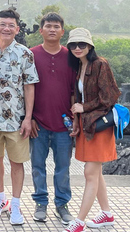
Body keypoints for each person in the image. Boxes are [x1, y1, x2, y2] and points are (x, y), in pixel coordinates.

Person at [0, 8, 39, 225]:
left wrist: (28, 117)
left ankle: (16, 204)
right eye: (2, 24)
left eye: (11, 25)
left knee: (17, 162)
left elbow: (29, 87)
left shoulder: (25, 53)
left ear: (17, 29)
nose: (6, 28)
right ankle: (0, 199)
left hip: (16, 119)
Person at [65, 28, 121, 232]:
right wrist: (76, 120)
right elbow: (78, 99)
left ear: (90, 46)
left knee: (90, 172)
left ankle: (79, 221)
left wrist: (84, 107)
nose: (77, 48)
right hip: (86, 125)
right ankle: (106, 214)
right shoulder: (79, 67)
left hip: (99, 126)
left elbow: (109, 98)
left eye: (82, 44)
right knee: (96, 173)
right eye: (73, 45)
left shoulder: (100, 65)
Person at [29, 12, 76, 225]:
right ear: (41, 30)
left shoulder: (71, 57)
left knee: (63, 167)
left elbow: (76, 90)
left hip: (64, 124)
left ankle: (62, 204)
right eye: (48, 26)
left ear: (62, 32)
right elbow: (25, 89)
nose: (52, 29)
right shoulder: (31, 54)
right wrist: (28, 118)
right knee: (38, 165)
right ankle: (41, 202)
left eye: (56, 26)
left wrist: (76, 118)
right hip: (38, 122)